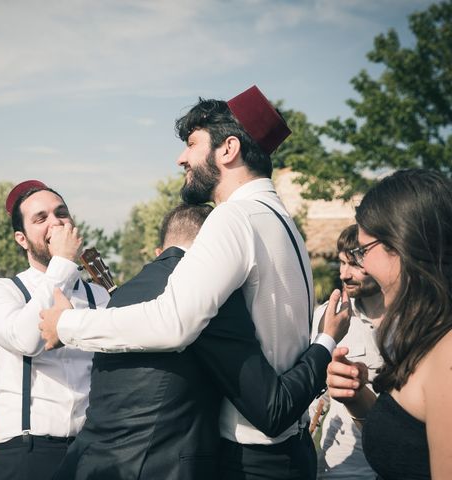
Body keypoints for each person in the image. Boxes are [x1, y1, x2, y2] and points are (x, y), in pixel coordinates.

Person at [41, 85, 350, 479]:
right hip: (291, 451)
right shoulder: (283, 222)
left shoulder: (233, 218)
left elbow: (173, 323)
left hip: (249, 461)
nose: (180, 158)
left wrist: (66, 325)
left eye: (191, 143)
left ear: (227, 149)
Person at [56, 203, 341, 479]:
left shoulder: (122, 295)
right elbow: (273, 410)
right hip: (159, 468)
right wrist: (326, 341)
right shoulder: (208, 300)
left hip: (89, 462)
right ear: (213, 245)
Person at [0, 180, 110, 480]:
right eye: (41, 218)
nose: (56, 222)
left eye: (61, 213)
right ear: (21, 239)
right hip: (26, 452)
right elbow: (26, 339)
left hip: (92, 450)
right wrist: (62, 263)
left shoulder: (98, 296)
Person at [325, 169, 452, 479]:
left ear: (402, 244)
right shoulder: (425, 334)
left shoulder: (447, 356)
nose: (362, 266)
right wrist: (358, 396)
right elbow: (409, 444)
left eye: (363, 251)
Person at [311, 224, 385, 479]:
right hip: (343, 466)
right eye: (341, 263)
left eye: (354, 264)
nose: (344, 274)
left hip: (400, 465)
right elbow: (313, 391)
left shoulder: (415, 320)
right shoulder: (327, 316)